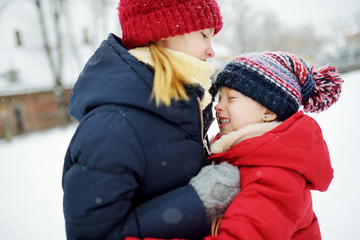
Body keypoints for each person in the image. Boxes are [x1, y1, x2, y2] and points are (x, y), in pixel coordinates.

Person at [61, 0, 240, 239]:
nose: (211, 50)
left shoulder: (183, 103)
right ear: (166, 31)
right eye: (204, 35)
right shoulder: (113, 126)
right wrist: (197, 201)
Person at [204, 51, 344, 239]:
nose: (218, 106)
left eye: (231, 98)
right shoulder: (240, 155)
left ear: (269, 112)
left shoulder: (277, 175)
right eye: (219, 98)